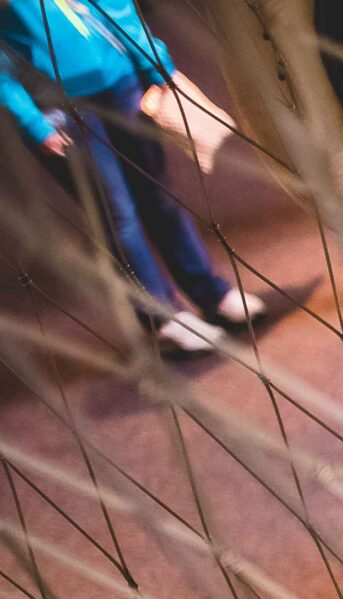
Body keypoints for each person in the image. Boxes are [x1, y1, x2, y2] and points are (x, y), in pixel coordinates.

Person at [2, 0, 263, 355]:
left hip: (120, 79)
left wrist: (153, 62)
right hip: (57, 105)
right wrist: (30, 119)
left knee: (159, 195)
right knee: (117, 214)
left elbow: (120, 7)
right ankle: (163, 321)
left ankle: (211, 294)